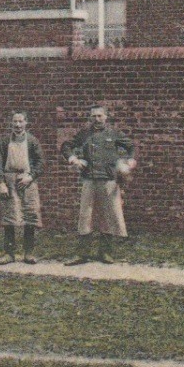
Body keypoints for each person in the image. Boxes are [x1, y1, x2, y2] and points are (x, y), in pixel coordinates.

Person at [65, 105, 135, 265]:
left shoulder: (114, 134)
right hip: (89, 179)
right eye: (94, 116)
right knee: (85, 216)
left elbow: (130, 146)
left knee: (108, 215)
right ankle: (82, 254)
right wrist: (74, 159)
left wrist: (130, 160)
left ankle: (105, 253)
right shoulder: (84, 134)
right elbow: (66, 146)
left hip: (109, 180)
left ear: (106, 117)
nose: (96, 120)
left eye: (100, 116)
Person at [0, 111, 43, 264]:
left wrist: (31, 176)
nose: (17, 125)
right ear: (11, 123)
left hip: (28, 181)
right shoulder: (3, 142)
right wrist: (1, 183)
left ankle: (29, 253)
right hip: (9, 182)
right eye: (15, 121)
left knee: (30, 215)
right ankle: (9, 254)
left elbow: (41, 163)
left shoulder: (33, 141)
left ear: (26, 122)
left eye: (21, 121)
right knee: (10, 217)